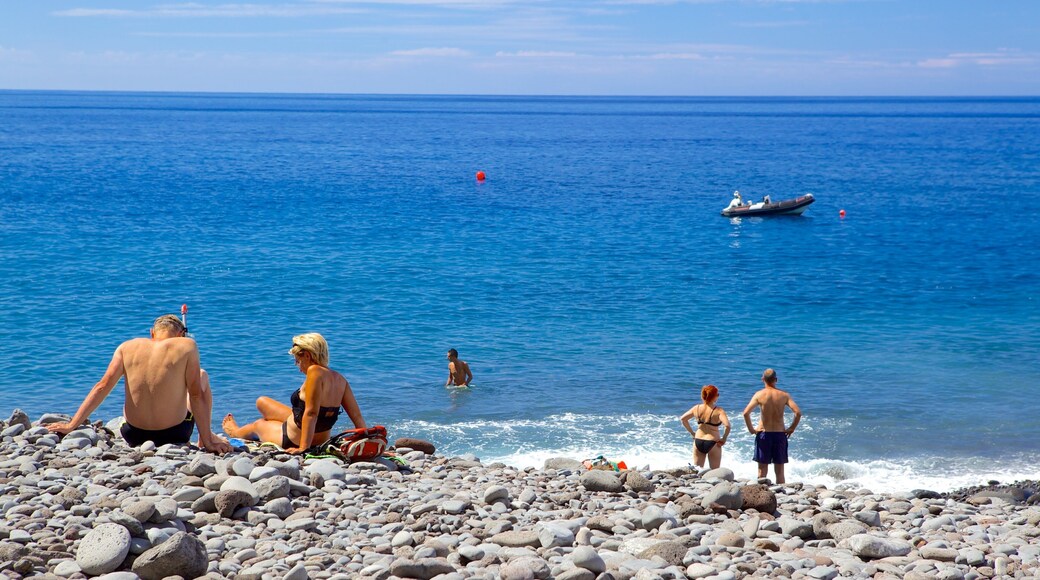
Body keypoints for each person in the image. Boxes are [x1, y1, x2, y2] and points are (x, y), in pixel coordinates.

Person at [47, 314, 230, 452]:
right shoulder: (186, 345)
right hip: (175, 433)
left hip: (133, 434)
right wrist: (208, 441)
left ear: (152, 333)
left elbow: (102, 386)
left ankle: (204, 437)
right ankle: (204, 439)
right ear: (181, 335)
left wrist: (71, 425)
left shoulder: (127, 347)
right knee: (201, 376)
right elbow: (196, 395)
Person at [222, 333, 366, 454]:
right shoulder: (340, 379)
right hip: (320, 437)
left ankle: (235, 431)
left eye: (298, 360)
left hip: (294, 438)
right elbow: (357, 416)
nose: (297, 366)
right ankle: (277, 423)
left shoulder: (314, 372)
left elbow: (311, 413)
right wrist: (367, 439)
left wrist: (304, 447)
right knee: (262, 402)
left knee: (258, 424)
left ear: (308, 356)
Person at [742, 368, 802, 484]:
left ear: (763, 379)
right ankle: (782, 493)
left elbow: (746, 413)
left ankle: (762, 493)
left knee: (762, 470)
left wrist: (751, 429)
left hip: (764, 434)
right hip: (780, 434)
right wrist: (791, 428)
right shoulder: (784, 395)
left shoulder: (759, 394)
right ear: (776, 380)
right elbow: (798, 413)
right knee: (779, 471)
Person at [680, 384, 731, 470]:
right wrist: (724, 438)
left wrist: (692, 433)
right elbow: (727, 426)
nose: (718, 396)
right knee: (715, 472)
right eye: (717, 394)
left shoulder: (697, 408)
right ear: (714, 397)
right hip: (713, 442)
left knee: (698, 471)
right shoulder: (718, 410)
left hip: (698, 441)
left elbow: (683, 419)